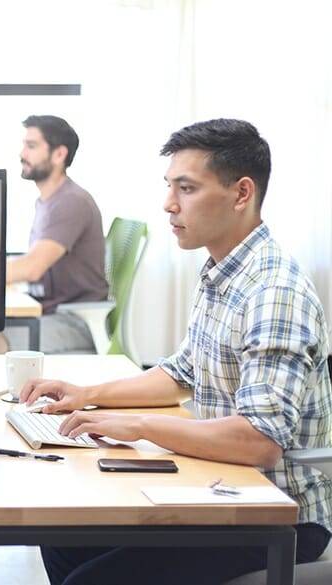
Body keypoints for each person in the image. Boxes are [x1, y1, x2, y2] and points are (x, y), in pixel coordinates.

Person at [22, 119, 332, 584]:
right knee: (65, 535)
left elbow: (260, 442)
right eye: (170, 187)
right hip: (223, 489)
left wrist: (140, 425)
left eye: (185, 189)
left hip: (276, 515)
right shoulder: (222, 270)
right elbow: (178, 373)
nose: (169, 205)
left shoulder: (274, 291)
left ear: (241, 193)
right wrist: (87, 394)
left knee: (89, 579)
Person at [6, 115, 108, 354]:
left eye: (31, 146)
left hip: (74, 321)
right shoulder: (48, 201)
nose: (22, 154)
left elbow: (32, 268)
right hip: (50, 313)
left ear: (59, 154)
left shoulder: (70, 202)